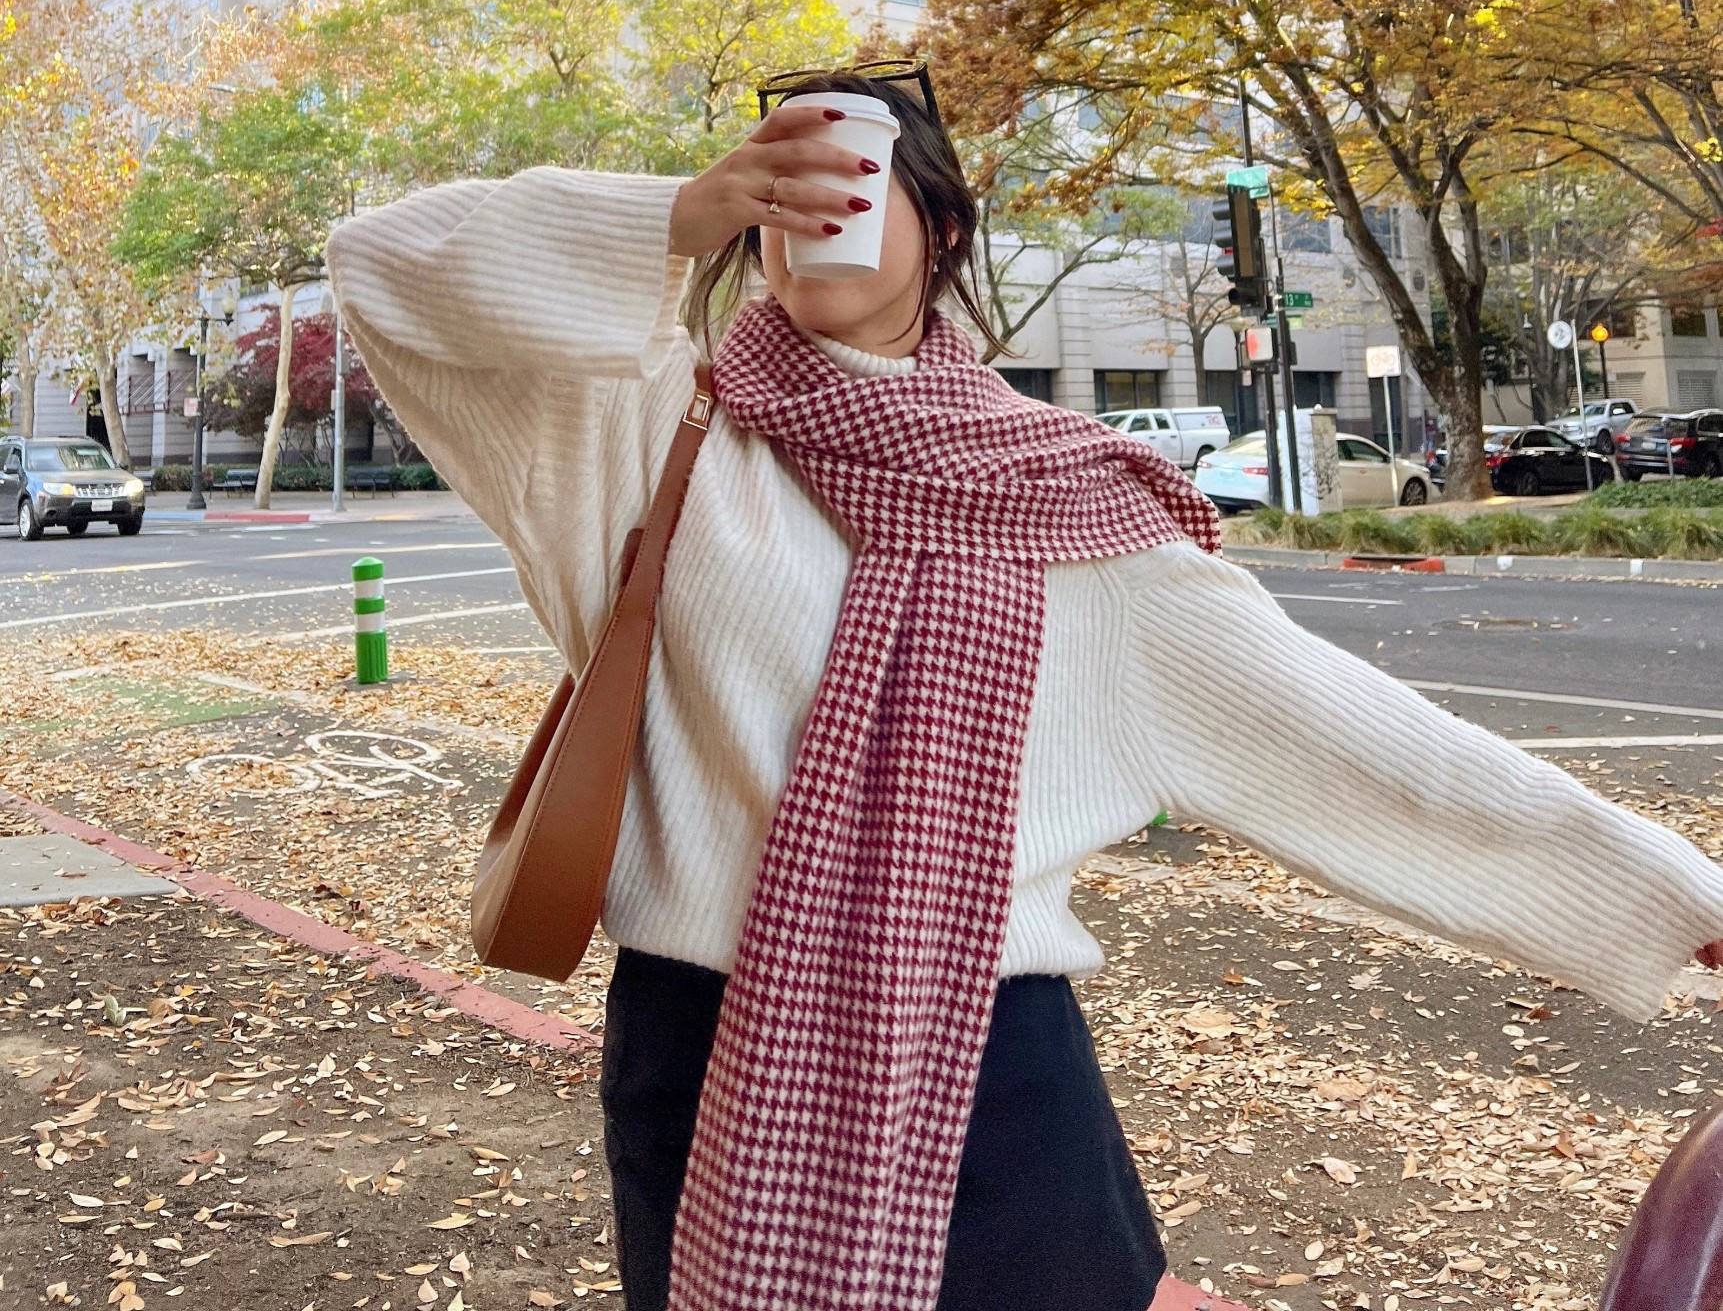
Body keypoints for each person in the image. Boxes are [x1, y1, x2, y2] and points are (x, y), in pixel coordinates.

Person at [327, 67, 1723, 1311]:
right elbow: (382, 264)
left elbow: (1362, 747)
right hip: (698, 1060)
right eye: (782, 181)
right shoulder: (650, 431)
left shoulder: (1068, 507)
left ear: (938, 232)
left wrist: (1681, 897)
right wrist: (672, 214)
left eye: (857, 174)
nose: (817, 207)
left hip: (988, 1085)